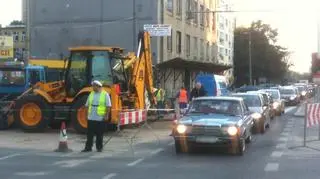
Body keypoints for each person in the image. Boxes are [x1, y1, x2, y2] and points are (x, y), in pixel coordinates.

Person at [82, 80, 112, 152]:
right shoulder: (91, 94)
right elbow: (87, 105)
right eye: (93, 86)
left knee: (99, 134)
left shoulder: (105, 94)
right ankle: (88, 147)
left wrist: (106, 115)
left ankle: (99, 147)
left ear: (98, 86)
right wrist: (86, 115)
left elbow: (108, 106)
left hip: (100, 118)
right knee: (89, 134)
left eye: (94, 86)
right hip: (91, 117)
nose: (93, 87)